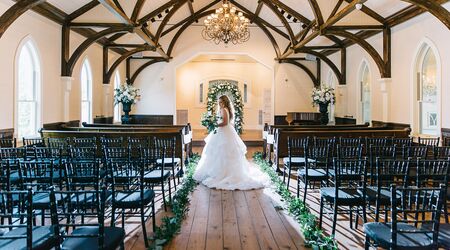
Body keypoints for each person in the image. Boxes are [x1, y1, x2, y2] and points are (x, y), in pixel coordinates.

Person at [193, 95, 268, 190]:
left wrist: (214, 124)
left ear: (225, 102)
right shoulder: (223, 109)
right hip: (222, 131)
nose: (219, 104)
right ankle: (217, 171)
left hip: (224, 131)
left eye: (221, 102)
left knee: (224, 151)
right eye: (219, 102)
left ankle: (225, 173)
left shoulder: (224, 110)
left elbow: (225, 123)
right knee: (217, 152)